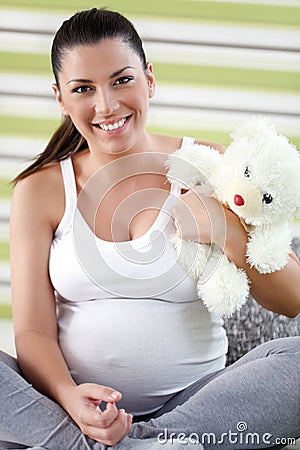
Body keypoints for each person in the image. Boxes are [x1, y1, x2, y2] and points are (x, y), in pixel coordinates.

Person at [0, 7, 299, 450]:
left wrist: (224, 229)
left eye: (122, 80)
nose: (106, 105)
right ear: (61, 98)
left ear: (150, 79)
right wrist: (70, 399)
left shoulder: (209, 165)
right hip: (72, 411)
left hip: (195, 410)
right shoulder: (40, 189)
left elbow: (292, 299)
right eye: (83, 89)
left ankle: (133, 443)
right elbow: (33, 332)